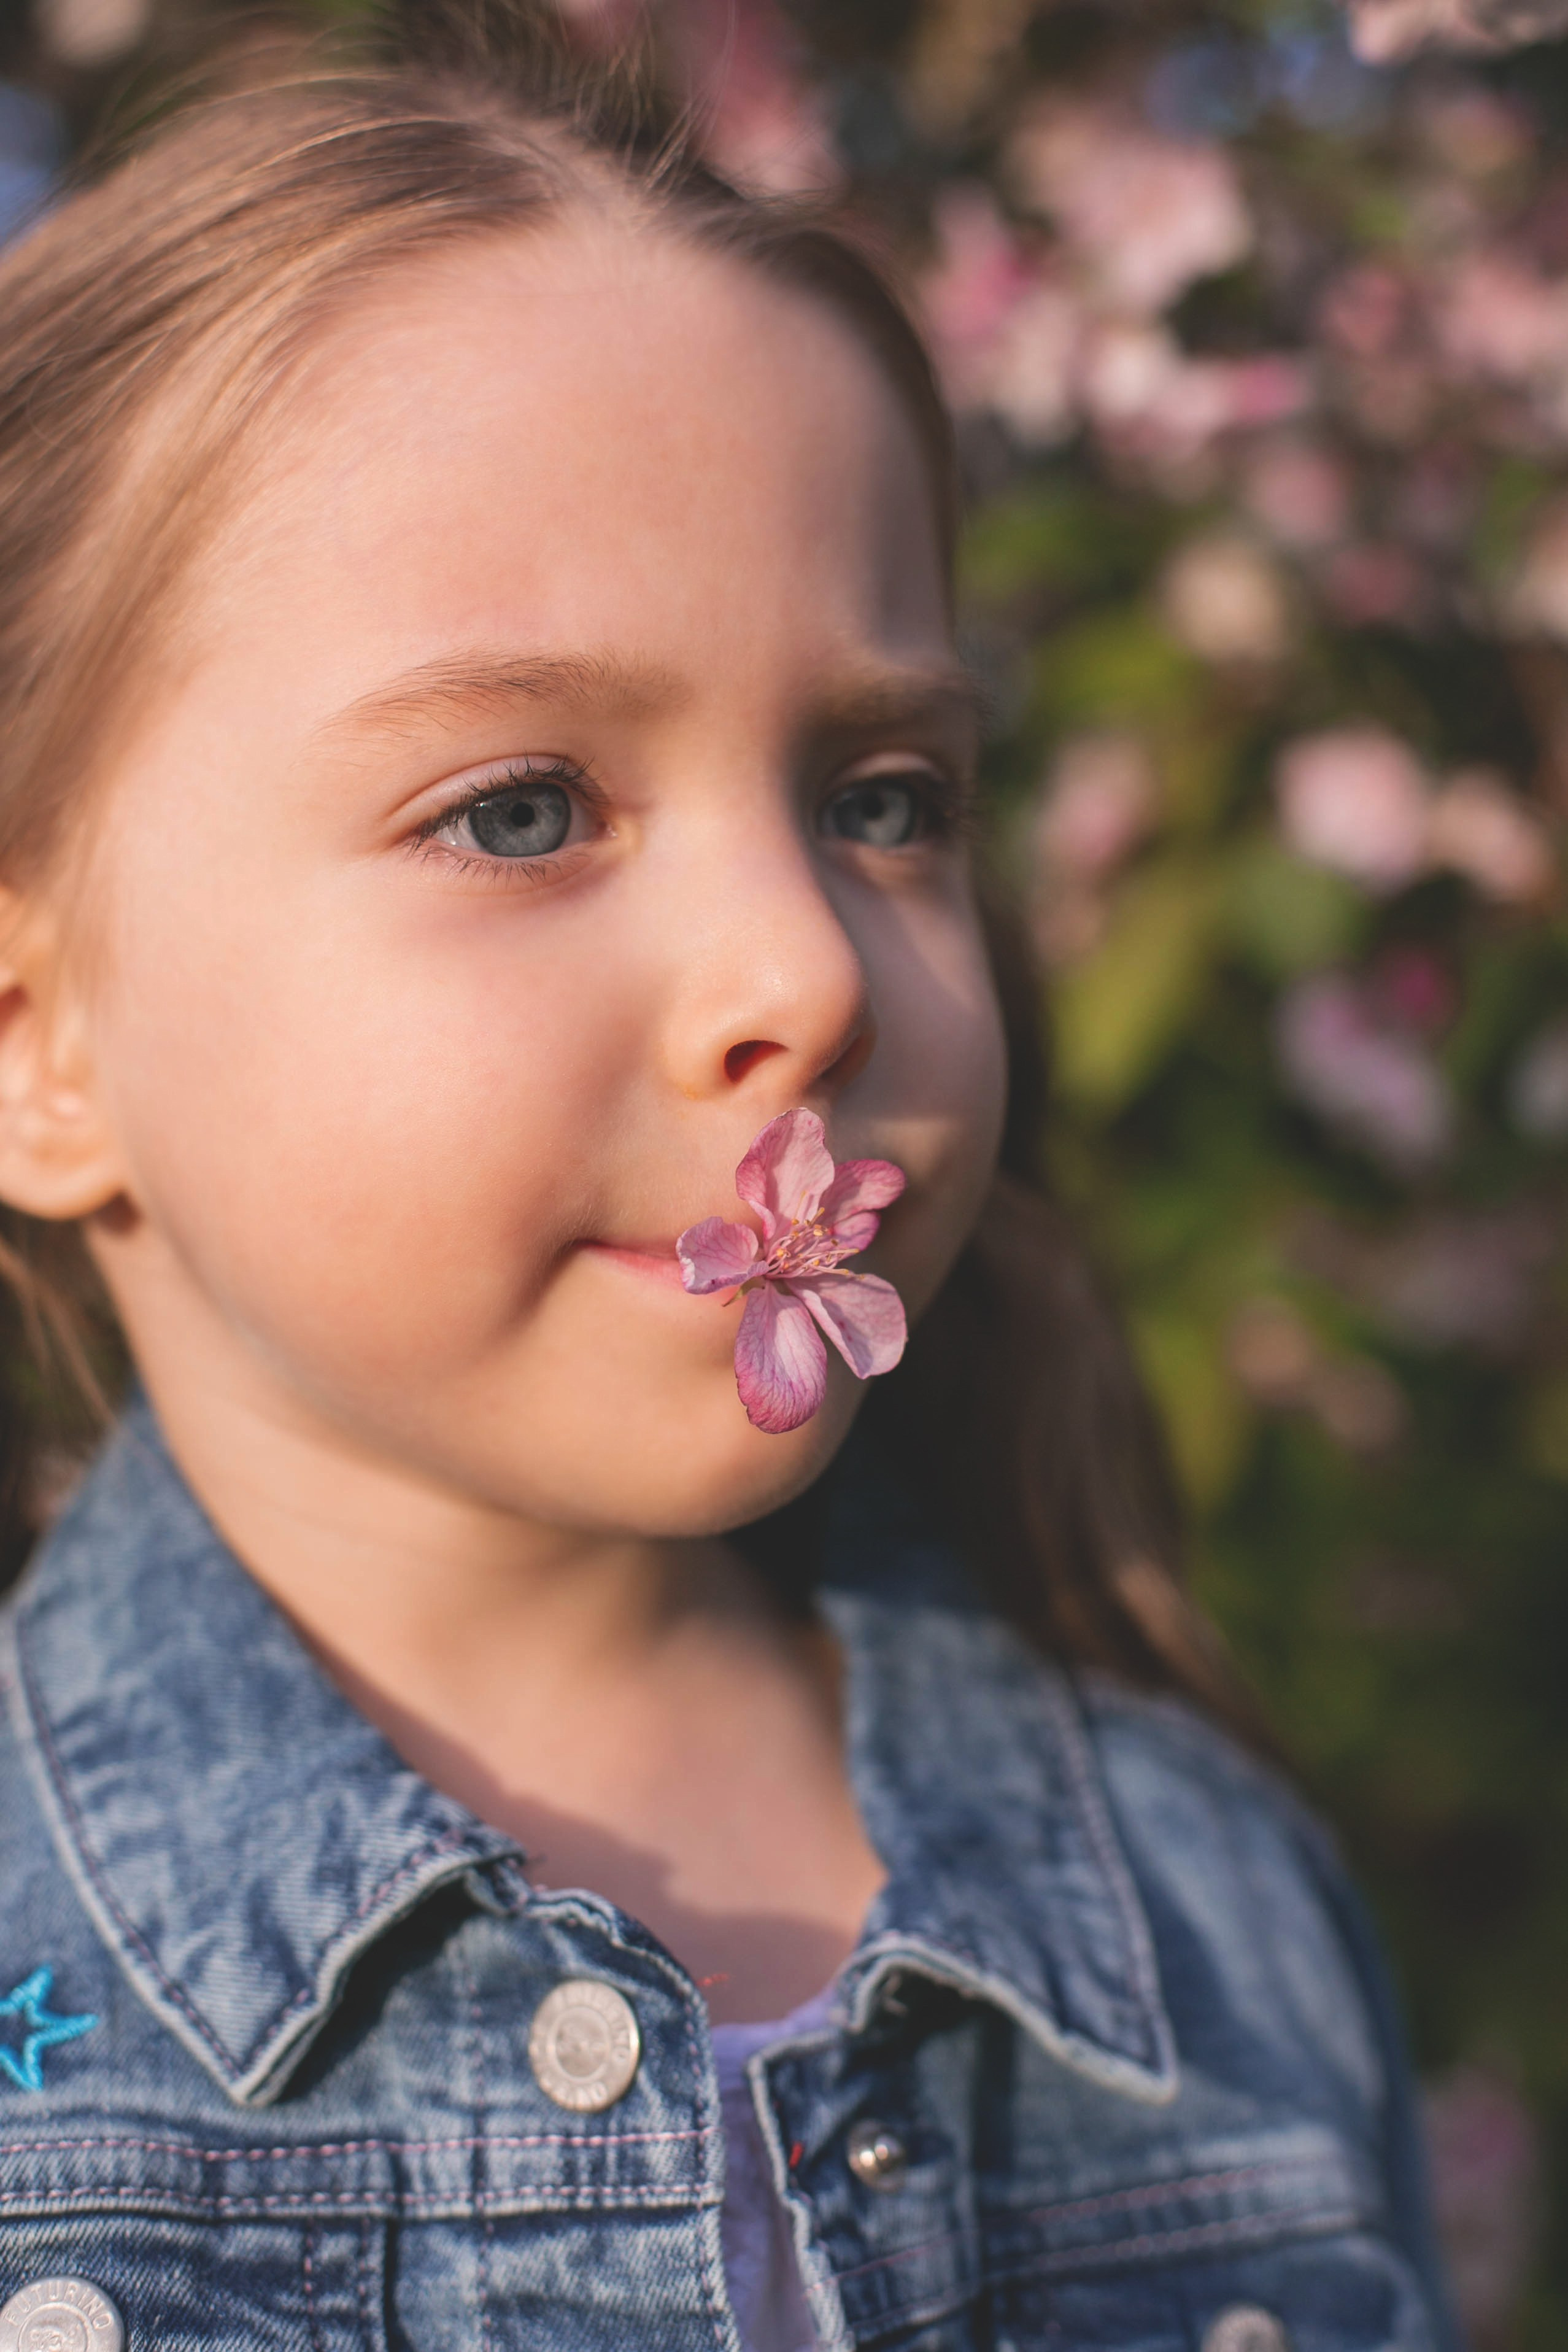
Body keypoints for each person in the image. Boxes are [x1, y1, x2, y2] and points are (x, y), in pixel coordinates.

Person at [0, 6, 1457, 2348]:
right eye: (519, 810)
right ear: (38, 1045)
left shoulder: (1216, 1905)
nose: (804, 960)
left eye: (880, 794)